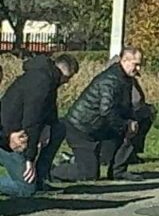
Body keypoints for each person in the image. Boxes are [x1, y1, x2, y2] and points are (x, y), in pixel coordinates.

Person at [51, 48, 143, 183]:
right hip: (81, 128)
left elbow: (125, 105)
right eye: (136, 64)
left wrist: (132, 122)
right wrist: (125, 125)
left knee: (137, 123)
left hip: (98, 126)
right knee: (89, 174)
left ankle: (118, 171)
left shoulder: (125, 78)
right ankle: (49, 171)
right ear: (125, 61)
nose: (138, 68)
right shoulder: (110, 80)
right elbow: (106, 110)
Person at [0, 54, 79, 195]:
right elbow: (32, 119)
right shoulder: (41, 82)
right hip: (8, 137)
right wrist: (30, 157)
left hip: (19, 132)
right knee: (26, 189)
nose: (67, 83)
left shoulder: (48, 78)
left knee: (59, 128)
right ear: (65, 73)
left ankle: (40, 179)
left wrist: (48, 126)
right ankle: (29, 183)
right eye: (68, 78)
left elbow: (50, 109)